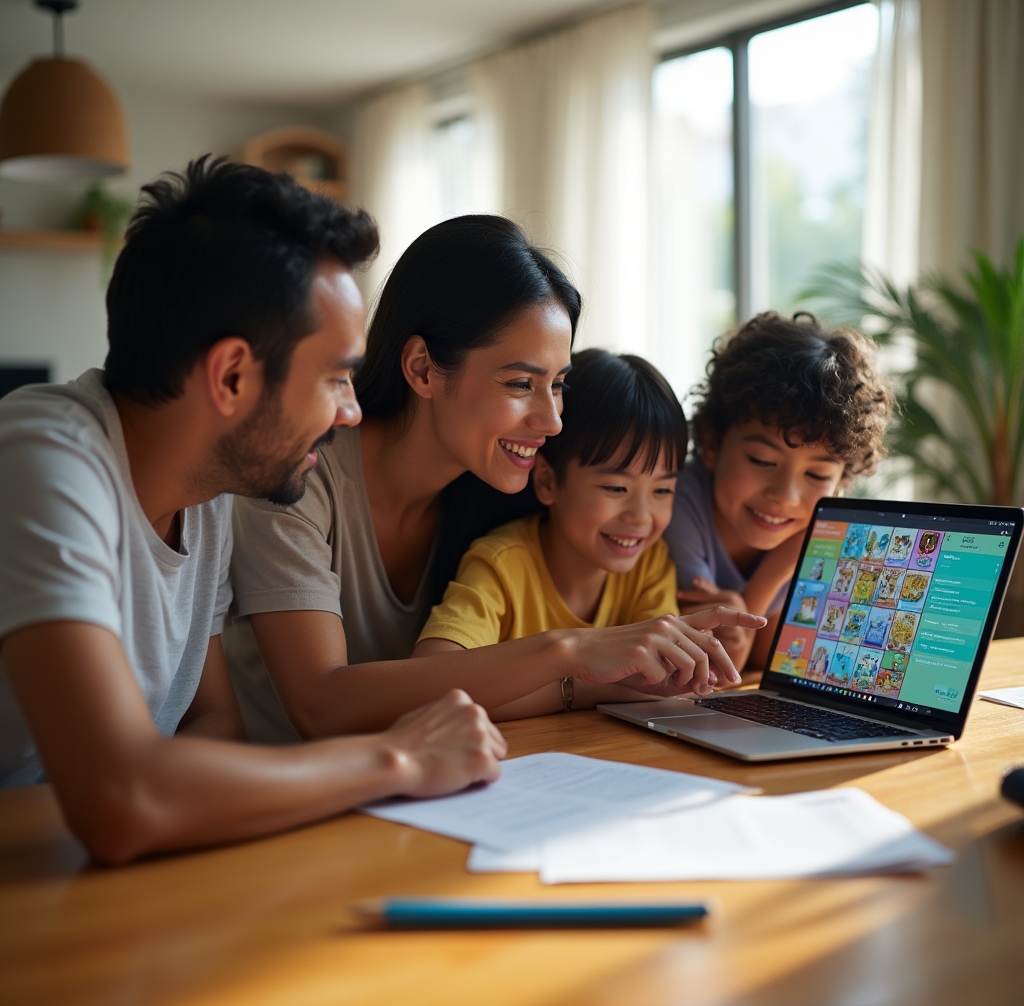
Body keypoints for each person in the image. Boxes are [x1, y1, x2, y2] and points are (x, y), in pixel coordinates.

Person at [0, 157, 509, 864]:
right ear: (232, 375)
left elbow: (211, 724)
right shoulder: (42, 460)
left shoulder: (208, 489)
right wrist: (399, 759)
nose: (353, 411)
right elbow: (123, 800)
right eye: (336, 378)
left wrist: (160, 794)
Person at [226, 217, 764, 743]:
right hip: (273, 803)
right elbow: (323, 708)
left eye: (557, 385)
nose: (552, 421)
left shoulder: (496, 486)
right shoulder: (296, 476)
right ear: (422, 369)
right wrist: (570, 653)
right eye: (520, 382)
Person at [413, 349, 721, 718]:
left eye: (662, 490)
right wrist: (578, 687)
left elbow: (661, 683)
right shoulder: (501, 564)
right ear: (547, 480)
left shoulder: (649, 565)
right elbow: (429, 685)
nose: (641, 517)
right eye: (616, 488)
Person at [666, 312, 893, 672]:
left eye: (817, 475)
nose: (786, 496)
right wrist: (776, 570)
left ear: (841, 483)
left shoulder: (818, 539)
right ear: (711, 443)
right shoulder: (675, 506)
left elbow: (770, 663)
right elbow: (717, 668)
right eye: (761, 460)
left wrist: (775, 570)